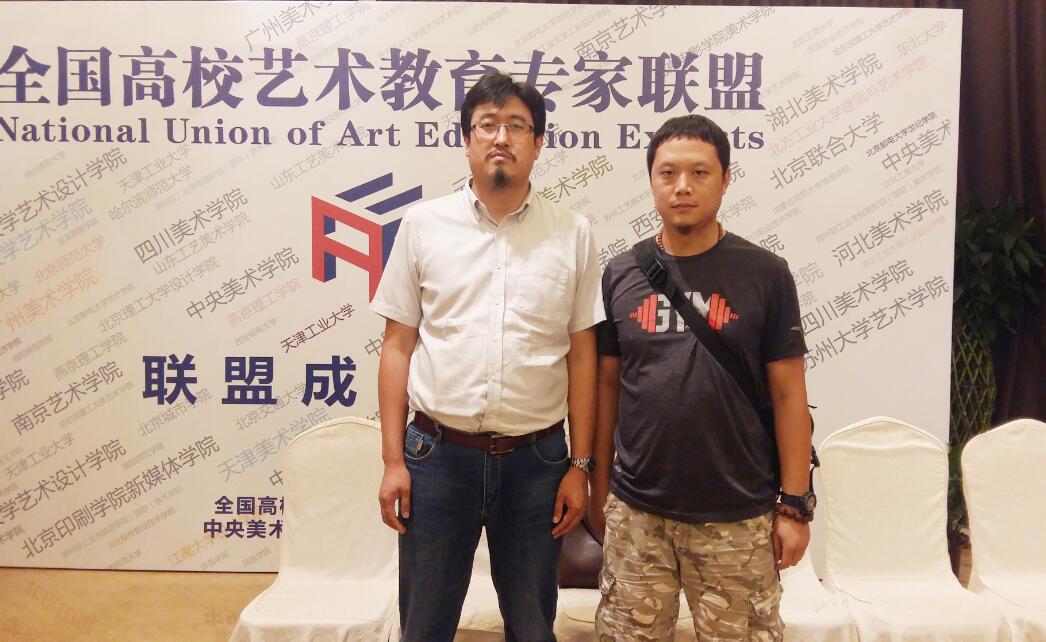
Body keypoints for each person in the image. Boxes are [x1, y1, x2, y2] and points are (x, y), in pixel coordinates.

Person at [372, 71, 603, 642]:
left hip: (537, 464)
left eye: (517, 126)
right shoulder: (422, 225)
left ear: (538, 143)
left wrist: (579, 467)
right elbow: (397, 347)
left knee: (532, 625)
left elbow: (582, 357)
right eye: (488, 125)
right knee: (425, 625)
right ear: (466, 139)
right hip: (436, 457)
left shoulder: (573, 233)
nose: (502, 137)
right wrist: (394, 460)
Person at [590, 114, 814, 640]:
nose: (682, 186)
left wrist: (795, 506)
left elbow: (788, 394)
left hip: (736, 517)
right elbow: (607, 388)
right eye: (668, 173)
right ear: (652, 181)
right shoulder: (620, 274)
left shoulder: (766, 273)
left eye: (699, 172)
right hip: (638, 515)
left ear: (726, 179)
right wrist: (601, 488)